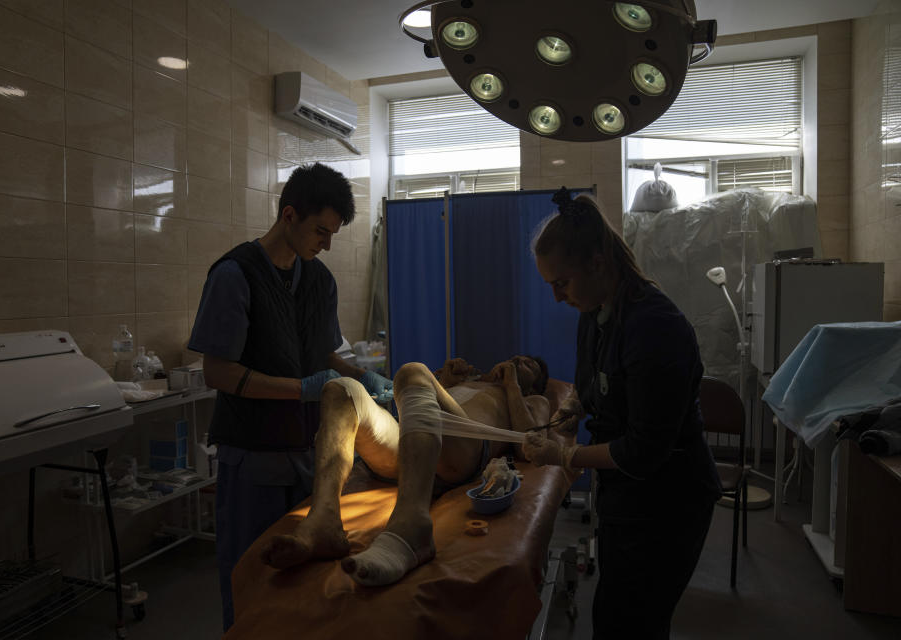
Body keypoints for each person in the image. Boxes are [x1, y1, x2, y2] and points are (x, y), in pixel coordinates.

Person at [187, 162, 394, 631]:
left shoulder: (318, 280)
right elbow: (217, 371)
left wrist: (361, 376)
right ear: (288, 215)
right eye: (320, 231)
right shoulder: (235, 275)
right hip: (254, 457)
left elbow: (323, 357)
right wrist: (300, 389)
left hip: (312, 454)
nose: (326, 243)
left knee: (309, 581)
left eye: (332, 233)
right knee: (252, 580)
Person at [522, 188, 722, 640]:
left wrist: (566, 457)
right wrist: (575, 405)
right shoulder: (593, 313)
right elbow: (594, 387)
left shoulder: (656, 326)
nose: (556, 297)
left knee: (633, 623)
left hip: (669, 504)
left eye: (561, 283)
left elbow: (644, 449)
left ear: (597, 262)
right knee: (613, 615)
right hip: (625, 500)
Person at [258, 354, 552, 586]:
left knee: (412, 370)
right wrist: (445, 380)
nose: (517, 361)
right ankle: (324, 521)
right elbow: (420, 406)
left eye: (528, 365)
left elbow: (531, 442)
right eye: (516, 358)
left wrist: (512, 385)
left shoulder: (531, 400)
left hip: (465, 452)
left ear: (534, 384)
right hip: (412, 448)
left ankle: (411, 526)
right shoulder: (473, 381)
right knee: (340, 390)